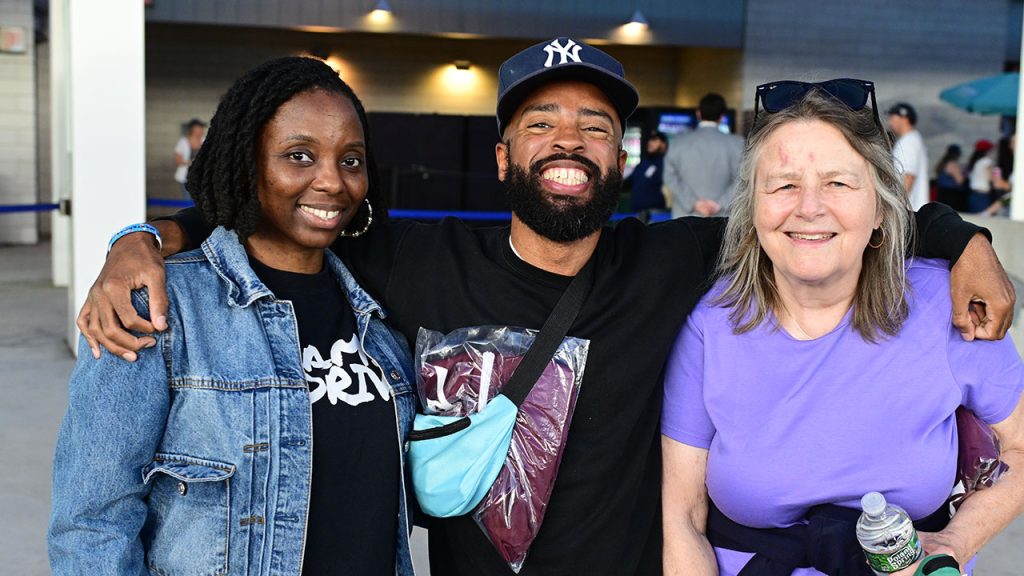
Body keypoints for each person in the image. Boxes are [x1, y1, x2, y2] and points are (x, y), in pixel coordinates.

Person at [77, 39, 1015, 576]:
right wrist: (141, 239)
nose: (568, 141)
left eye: (594, 127)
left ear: (620, 160)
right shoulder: (411, 257)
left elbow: (817, 214)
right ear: (501, 157)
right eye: (541, 124)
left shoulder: (673, 260)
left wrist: (962, 238)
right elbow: (271, 220)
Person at [48, 57, 417, 575]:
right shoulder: (160, 306)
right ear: (248, 165)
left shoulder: (379, 321)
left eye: (351, 160)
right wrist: (140, 238)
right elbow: (91, 522)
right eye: (299, 155)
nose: (332, 181)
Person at [661, 82, 1024, 576]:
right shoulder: (709, 323)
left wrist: (955, 541)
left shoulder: (950, 305)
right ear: (751, 212)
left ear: (880, 211)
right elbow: (682, 515)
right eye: (784, 184)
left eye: (838, 183)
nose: (809, 206)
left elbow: (1020, 447)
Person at [663, 92, 745, 218]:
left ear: (698, 113)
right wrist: (719, 204)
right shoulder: (737, 143)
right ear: (722, 116)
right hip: (723, 219)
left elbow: (670, 177)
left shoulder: (678, 142)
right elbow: (743, 178)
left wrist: (694, 203)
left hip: (684, 220)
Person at [887, 102, 930, 210]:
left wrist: (896, 207)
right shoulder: (913, 139)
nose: (890, 122)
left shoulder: (908, 141)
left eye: (892, 118)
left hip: (908, 209)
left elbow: (908, 177)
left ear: (904, 118)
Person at [624, 130, 669, 219]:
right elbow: (628, 183)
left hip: (657, 214)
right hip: (637, 214)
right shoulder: (643, 163)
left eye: (655, 140)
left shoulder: (667, 163)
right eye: (650, 140)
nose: (650, 143)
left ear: (663, 144)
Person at [967, 139, 1010, 214]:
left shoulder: (976, 161)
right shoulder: (986, 161)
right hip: (982, 196)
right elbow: (992, 178)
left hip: (973, 195)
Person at [174, 118, 206, 199]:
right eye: (199, 128)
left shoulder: (205, 141)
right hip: (186, 177)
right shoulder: (183, 142)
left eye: (202, 128)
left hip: (202, 177)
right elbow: (177, 160)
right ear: (193, 129)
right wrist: (191, 162)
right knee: (188, 200)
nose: (201, 131)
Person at [935, 144, 967, 211]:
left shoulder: (942, 163)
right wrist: (964, 173)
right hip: (951, 195)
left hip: (942, 193)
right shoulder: (953, 164)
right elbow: (960, 180)